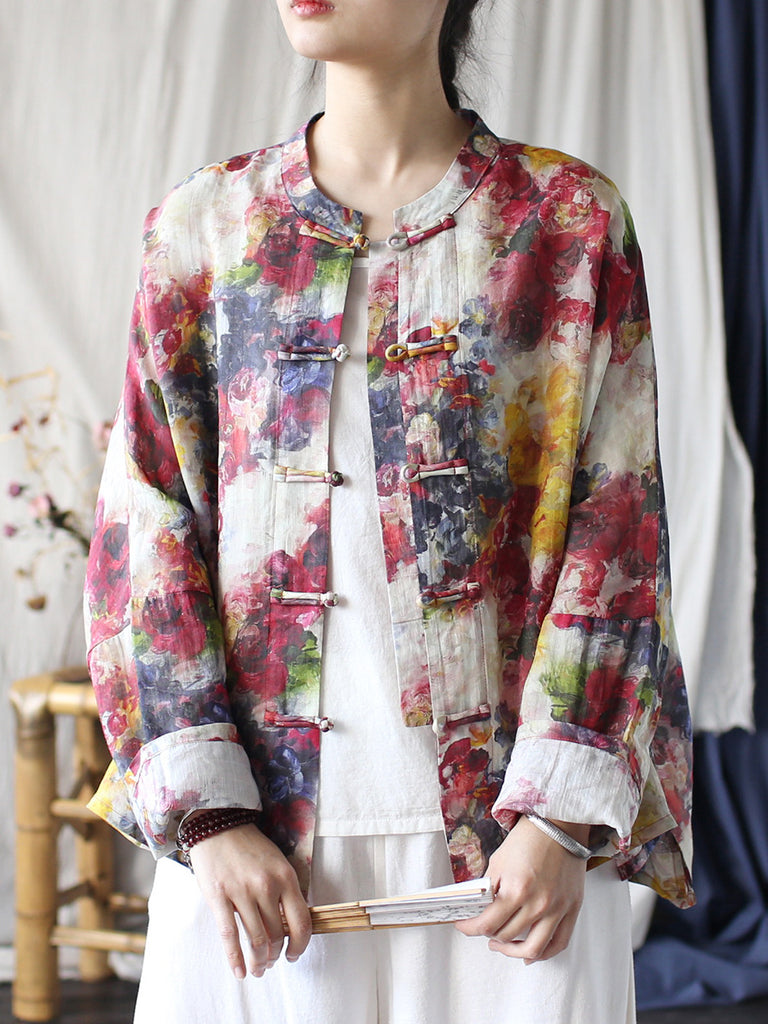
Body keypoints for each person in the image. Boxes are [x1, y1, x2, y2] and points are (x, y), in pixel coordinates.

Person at [84, 1, 694, 1021]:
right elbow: (145, 526)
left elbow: (619, 524)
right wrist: (210, 816)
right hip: (255, 859)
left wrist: (561, 816)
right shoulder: (204, 227)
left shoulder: (566, 223)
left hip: (513, 858)